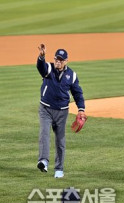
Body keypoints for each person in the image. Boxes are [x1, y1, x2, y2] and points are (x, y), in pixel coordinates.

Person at [36, 44, 86, 178]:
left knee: (60, 140)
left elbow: (77, 93)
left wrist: (81, 109)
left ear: (66, 61)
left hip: (62, 112)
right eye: (56, 59)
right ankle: (43, 161)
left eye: (61, 60)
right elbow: (41, 67)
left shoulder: (72, 75)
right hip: (45, 109)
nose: (58, 61)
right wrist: (41, 57)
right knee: (44, 133)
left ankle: (59, 169)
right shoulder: (49, 68)